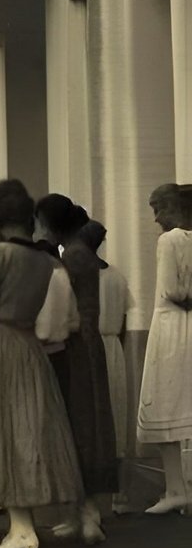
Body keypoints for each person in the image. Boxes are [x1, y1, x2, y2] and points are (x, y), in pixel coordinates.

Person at [0, 180, 84, 548]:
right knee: (26, 430)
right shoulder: (46, 260)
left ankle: (21, 529)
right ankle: (22, 526)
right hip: (28, 345)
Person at [35, 195, 117, 543]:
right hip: (87, 344)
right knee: (85, 423)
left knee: (77, 424)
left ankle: (85, 511)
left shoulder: (70, 257)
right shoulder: (82, 254)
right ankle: (81, 511)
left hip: (74, 346)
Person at [137, 183, 192, 514]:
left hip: (171, 327)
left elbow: (172, 290)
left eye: (160, 208)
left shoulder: (169, 241)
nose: (156, 218)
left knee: (164, 403)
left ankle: (176, 487)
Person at [77, 220, 134, 511]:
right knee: (117, 415)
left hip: (89, 348)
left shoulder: (78, 275)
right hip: (113, 348)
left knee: (90, 417)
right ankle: (119, 494)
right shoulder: (117, 277)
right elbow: (124, 321)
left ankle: (87, 498)